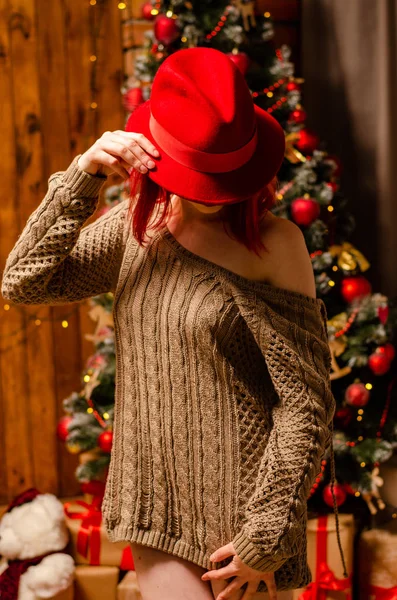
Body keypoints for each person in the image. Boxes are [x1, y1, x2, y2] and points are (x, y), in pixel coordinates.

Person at [1, 48, 348, 600]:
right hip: (155, 502)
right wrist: (82, 178)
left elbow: (305, 402)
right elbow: (24, 281)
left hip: (244, 516)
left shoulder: (276, 244)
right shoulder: (140, 226)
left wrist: (265, 533)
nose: (205, 191)